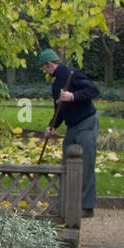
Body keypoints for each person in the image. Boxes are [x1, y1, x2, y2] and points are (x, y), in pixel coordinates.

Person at [37, 48, 98, 219]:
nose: (45, 71)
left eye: (44, 68)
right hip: (72, 126)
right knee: (66, 166)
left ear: (49, 65)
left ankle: (86, 207)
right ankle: (63, 204)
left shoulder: (73, 74)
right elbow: (59, 110)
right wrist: (52, 126)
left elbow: (93, 90)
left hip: (87, 123)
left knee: (85, 164)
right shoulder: (56, 84)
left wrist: (73, 96)